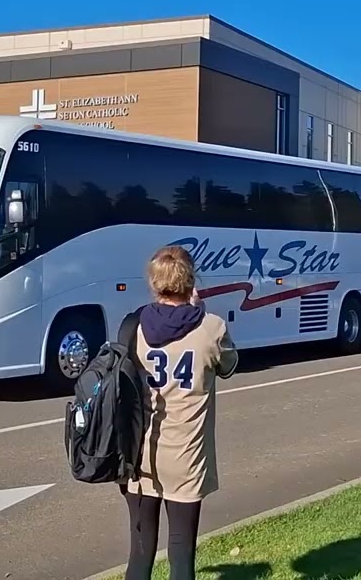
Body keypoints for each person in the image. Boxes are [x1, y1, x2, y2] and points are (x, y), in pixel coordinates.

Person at [123, 246, 238, 580]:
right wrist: (197, 310)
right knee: (181, 553)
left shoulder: (134, 327)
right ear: (191, 282)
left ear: (155, 283)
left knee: (140, 552)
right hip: (187, 457)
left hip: (141, 455)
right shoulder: (211, 327)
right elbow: (229, 366)